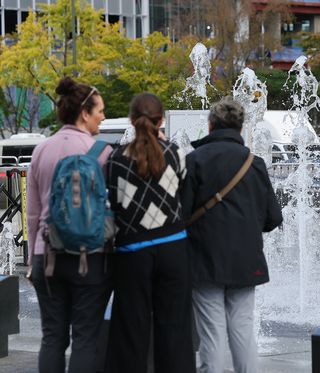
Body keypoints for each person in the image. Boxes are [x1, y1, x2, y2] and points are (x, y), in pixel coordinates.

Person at [182, 97, 283, 373]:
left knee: (211, 332)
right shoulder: (255, 163)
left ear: (210, 125)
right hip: (245, 260)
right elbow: (274, 217)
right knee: (243, 329)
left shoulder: (194, 161)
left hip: (204, 258)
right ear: (240, 128)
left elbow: (182, 213)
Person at [27, 77, 113, 373]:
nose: (103, 116)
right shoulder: (102, 152)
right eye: (99, 110)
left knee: (52, 338)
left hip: (47, 255)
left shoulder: (41, 150)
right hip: (90, 256)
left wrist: (32, 261)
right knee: (85, 339)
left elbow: (34, 212)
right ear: (84, 113)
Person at [104, 93, 195, 373]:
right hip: (173, 250)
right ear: (161, 120)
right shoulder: (176, 154)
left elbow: (114, 204)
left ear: (132, 120)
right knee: (175, 329)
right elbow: (182, 194)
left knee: (130, 329)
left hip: (132, 253)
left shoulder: (116, 159)